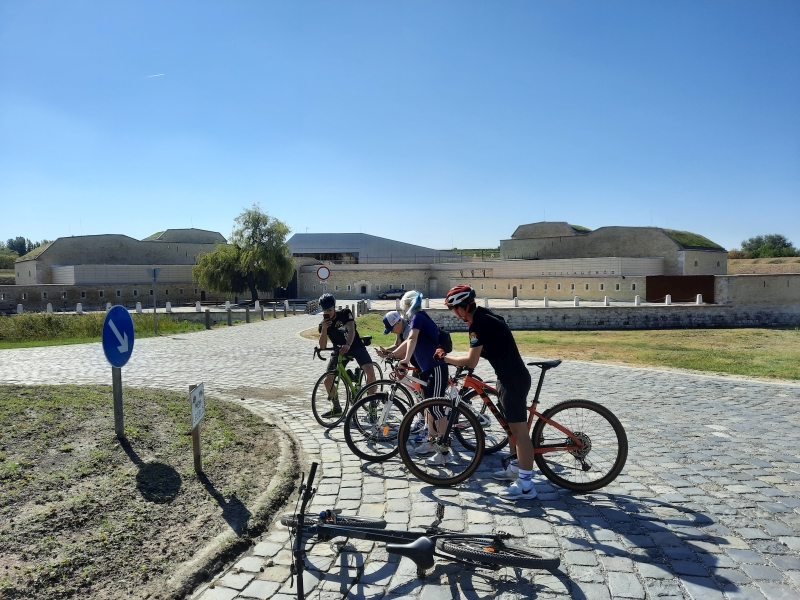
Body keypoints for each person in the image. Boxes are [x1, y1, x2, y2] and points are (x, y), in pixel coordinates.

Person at [436, 284, 537, 501]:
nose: (454, 313)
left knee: (520, 434)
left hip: (512, 381)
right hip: (509, 378)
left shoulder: (479, 324)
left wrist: (445, 357)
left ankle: (527, 487)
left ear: (461, 308)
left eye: (453, 309)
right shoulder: (485, 317)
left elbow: (471, 360)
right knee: (511, 429)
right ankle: (515, 468)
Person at [391, 291, 451, 465]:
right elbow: (409, 341)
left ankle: (444, 452)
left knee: (437, 409)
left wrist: (405, 360)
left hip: (436, 368)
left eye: (404, 305)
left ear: (408, 305)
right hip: (428, 369)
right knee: (429, 407)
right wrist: (395, 354)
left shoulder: (418, 317)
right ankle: (431, 442)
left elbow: (412, 338)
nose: (403, 308)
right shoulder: (418, 317)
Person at [317, 293, 375, 417]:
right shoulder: (324, 324)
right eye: (325, 310)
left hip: (355, 346)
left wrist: (348, 344)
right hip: (339, 350)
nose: (328, 313)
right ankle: (337, 408)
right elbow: (322, 346)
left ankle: (372, 404)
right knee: (328, 381)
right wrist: (324, 329)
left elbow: (351, 329)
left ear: (334, 307)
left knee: (370, 371)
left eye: (330, 310)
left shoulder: (345, 313)